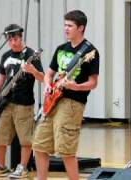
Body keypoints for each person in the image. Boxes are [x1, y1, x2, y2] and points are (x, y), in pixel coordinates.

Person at [32, 10, 99, 180]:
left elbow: (93, 83)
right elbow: (49, 74)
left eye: (70, 25)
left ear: (81, 28)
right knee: (39, 145)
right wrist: (47, 85)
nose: (66, 28)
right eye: (65, 25)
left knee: (66, 149)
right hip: (52, 101)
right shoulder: (61, 49)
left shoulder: (90, 52)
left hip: (72, 104)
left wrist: (75, 86)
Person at [0, 24, 44, 178]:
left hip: (24, 104)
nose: (13, 43)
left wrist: (33, 70)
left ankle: (22, 167)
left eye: (15, 39)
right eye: (10, 40)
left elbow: (43, 78)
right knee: (1, 137)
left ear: (21, 37)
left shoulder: (31, 55)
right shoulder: (5, 56)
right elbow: (2, 77)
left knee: (25, 139)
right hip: (6, 103)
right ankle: (1, 166)